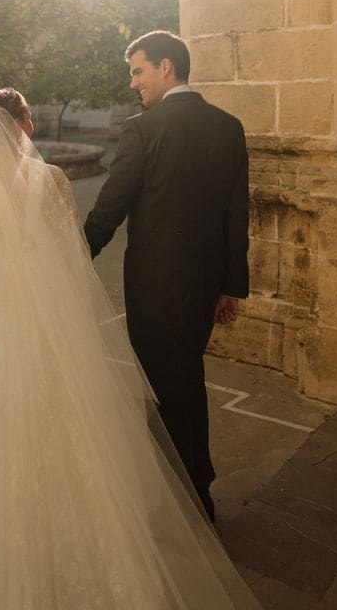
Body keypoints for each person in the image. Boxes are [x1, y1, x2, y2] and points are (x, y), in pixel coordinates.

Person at [0, 88, 259, 609]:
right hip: (42, 328)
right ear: (21, 123)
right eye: (29, 116)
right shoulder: (52, 180)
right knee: (61, 427)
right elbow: (73, 261)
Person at [84, 31, 250, 523]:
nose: (134, 82)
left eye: (138, 70)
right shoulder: (228, 127)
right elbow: (235, 214)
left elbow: (108, 210)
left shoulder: (143, 129)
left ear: (166, 69)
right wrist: (230, 287)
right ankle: (193, 486)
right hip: (201, 289)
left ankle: (187, 495)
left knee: (165, 388)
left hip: (156, 290)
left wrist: (71, 256)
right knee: (183, 380)